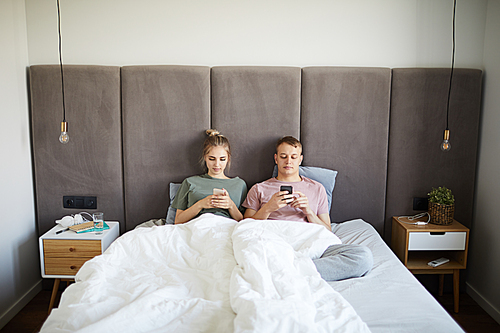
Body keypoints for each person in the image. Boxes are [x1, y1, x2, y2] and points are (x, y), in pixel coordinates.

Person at [243, 136, 373, 281]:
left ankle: (286, 272)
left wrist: (309, 212)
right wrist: (267, 208)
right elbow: (245, 226)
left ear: (300, 159)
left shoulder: (317, 188)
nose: (288, 161)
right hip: (273, 241)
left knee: (363, 257)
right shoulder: (259, 188)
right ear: (276, 158)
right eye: (283, 156)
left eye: (293, 157)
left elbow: (327, 230)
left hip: (310, 241)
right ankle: (298, 271)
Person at [172, 129, 247, 224]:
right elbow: (178, 221)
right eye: (212, 159)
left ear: (228, 158)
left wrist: (231, 205)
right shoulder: (190, 182)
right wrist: (200, 204)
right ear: (205, 157)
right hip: (197, 227)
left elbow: (244, 223)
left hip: (226, 228)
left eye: (222, 159)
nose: (217, 164)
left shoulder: (239, 184)